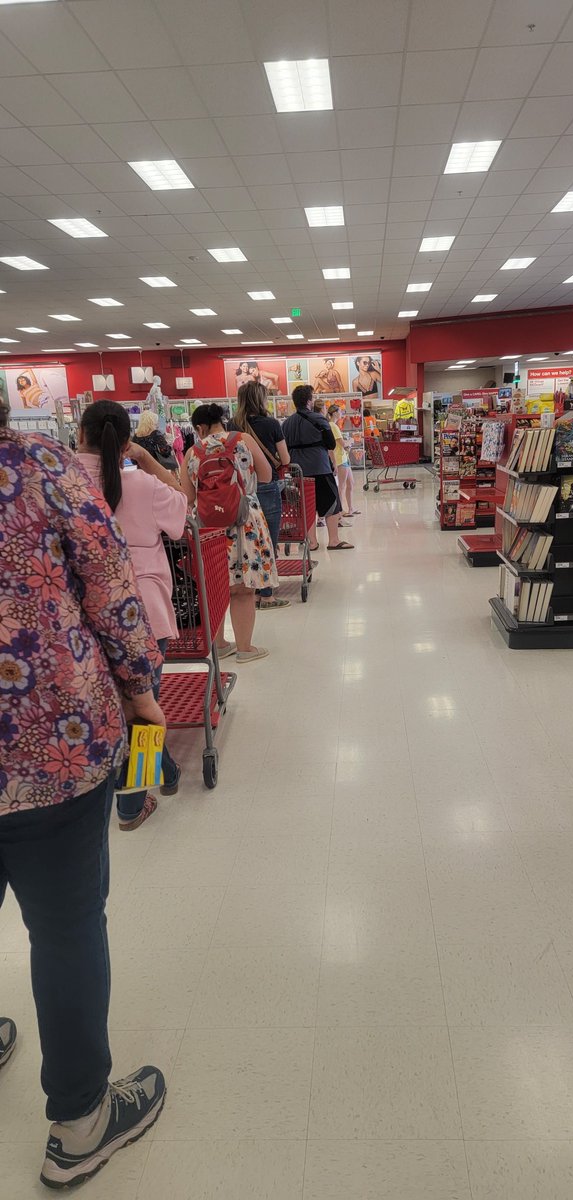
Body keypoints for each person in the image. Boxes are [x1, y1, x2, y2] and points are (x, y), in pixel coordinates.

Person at [0, 398, 167, 1189]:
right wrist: (142, 694)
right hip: (49, 744)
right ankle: (80, 1123)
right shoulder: (42, 471)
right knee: (65, 930)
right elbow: (110, 592)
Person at [78, 400, 188, 830]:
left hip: (79, 615)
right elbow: (182, 504)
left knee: (106, 711)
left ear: (80, 435)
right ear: (125, 442)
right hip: (144, 607)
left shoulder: (57, 481)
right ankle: (131, 806)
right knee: (143, 707)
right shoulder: (141, 484)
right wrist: (143, 457)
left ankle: (162, 774)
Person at [181, 402, 275, 662]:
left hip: (210, 528)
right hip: (245, 520)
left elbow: (188, 496)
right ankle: (245, 648)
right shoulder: (243, 439)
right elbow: (267, 475)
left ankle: (220, 644)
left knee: (216, 586)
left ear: (200, 428)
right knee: (243, 589)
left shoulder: (192, 453)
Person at [230, 381, 291, 611]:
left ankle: (250, 592)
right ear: (261, 399)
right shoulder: (272, 424)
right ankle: (267, 596)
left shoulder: (232, 425)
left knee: (248, 542)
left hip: (242, 489)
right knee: (268, 541)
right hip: (266, 485)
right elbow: (285, 459)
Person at [283, 385, 354, 551]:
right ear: (309, 401)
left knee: (306, 505)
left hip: (297, 471)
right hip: (320, 467)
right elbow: (331, 444)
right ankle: (333, 540)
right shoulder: (319, 419)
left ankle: (312, 542)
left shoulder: (286, 424)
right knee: (331, 503)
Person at [328, 403, 360, 521]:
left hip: (344, 458)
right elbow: (342, 443)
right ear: (335, 413)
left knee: (350, 483)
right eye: (340, 411)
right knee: (341, 486)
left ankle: (350, 508)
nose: (342, 413)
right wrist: (351, 440)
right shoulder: (333, 426)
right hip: (340, 459)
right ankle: (339, 511)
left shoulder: (334, 425)